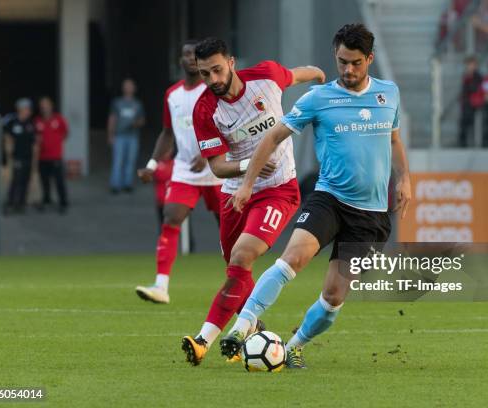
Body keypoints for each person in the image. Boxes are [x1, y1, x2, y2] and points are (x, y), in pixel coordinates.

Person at [220, 23, 411, 369]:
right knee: (291, 259)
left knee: (334, 296)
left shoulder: (389, 94)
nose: (348, 70)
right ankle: (241, 328)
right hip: (330, 199)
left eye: (355, 63)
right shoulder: (318, 98)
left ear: (369, 59)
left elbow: (394, 140)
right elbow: (273, 137)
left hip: (370, 215)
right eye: (341, 62)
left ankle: (293, 347)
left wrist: (404, 179)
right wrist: (247, 182)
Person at [179, 37, 326, 366]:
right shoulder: (205, 109)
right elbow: (217, 166)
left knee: (244, 254)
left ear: (231, 62)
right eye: (205, 74)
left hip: (279, 189)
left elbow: (294, 74)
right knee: (236, 271)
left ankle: (205, 339)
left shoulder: (266, 77)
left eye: (217, 70)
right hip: (235, 194)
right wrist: (250, 166)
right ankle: (252, 326)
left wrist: (317, 74)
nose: (213, 80)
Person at [135, 40, 223, 304]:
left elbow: (228, 125)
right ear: (180, 60)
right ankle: (161, 286)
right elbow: (167, 133)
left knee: (228, 229)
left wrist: (209, 155)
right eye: (186, 54)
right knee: (171, 217)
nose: (191, 59)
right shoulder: (172, 94)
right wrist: (152, 165)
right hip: (185, 169)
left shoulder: (213, 91)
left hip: (218, 168)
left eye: (195, 55)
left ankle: (240, 283)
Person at [108, 78, 145, 194]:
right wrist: (110, 134)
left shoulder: (138, 104)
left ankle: (127, 184)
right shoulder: (117, 102)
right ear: (123, 88)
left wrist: (137, 123)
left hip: (133, 137)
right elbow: (112, 119)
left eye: (130, 86)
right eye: (126, 86)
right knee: (118, 161)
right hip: (119, 136)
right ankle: (115, 185)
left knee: (130, 161)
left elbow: (142, 120)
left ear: (134, 88)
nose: (128, 88)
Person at [34, 96, 69, 213]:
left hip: (56, 157)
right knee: (44, 181)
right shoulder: (37, 121)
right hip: (42, 157)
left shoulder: (58, 119)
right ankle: (46, 199)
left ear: (51, 106)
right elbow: (35, 136)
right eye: (42, 106)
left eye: (46, 105)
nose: (44, 108)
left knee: (59, 181)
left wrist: (56, 141)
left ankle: (63, 202)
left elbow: (65, 133)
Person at [2, 98, 36, 214]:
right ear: (20, 109)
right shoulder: (13, 121)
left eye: (29, 109)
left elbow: (34, 142)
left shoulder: (30, 124)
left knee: (25, 180)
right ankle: (11, 202)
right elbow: (7, 138)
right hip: (17, 156)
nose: (28, 111)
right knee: (16, 180)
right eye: (26, 108)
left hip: (28, 156)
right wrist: (8, 154)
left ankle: (21, 203)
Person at [459, 55, 483, 147]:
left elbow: (474, 88)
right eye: (468, 65)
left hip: (474, 103)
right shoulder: (465, 76)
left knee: (472, 123)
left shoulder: (477, 76)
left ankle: (474, 142)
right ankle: (463, 142)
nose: (469, 67)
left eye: (471, 64)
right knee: (464, 123)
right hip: (466, 103)